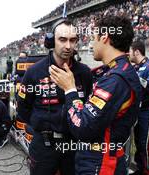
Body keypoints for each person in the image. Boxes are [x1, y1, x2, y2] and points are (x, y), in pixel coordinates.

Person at [49, 15, 142, 174]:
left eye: (94, 38)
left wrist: (70, 89)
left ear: (104, 38)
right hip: (102, 157)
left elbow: (83, 128)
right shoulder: (118, 69)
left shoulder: (116, 80)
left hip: (101, 163)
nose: (91, 44)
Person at [17, 19, 93, 175]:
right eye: (62, 39)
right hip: (43, 145)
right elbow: (23, 108)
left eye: (72, 40)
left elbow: (88, 108)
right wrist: (41, 125)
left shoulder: (84, 72)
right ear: (52, 41)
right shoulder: (34, 72)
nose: (68, 46)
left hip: (73, 145)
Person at [129, 40, 149, 175]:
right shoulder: (135, 68)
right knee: (138, 142)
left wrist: (137, 79)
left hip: (148, 110)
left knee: (146, 144)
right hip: (137, 111)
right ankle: (140, 169)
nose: (129, 53)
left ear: (137, 52)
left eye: (130, 51)